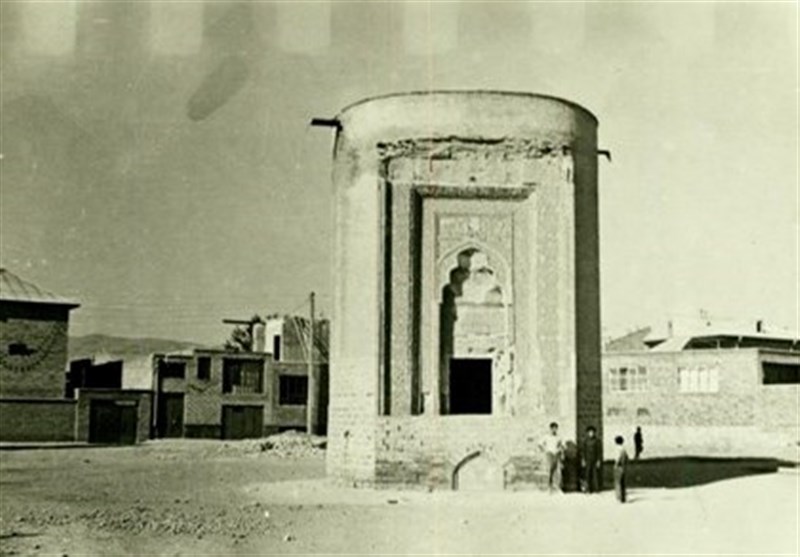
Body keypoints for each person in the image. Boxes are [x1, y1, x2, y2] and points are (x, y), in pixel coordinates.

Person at [539, 421, 565, 494]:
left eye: (555, 428)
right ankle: (549, 487)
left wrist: (560, 450)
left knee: (557, 470)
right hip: (549, 453)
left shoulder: (558, 437)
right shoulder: (546, 436)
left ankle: (557, 487)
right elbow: (540, 444)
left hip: (556, 454)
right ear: (550, 429)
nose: (554, 430)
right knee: (550, 469)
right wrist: (545, 450)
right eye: (553, 428)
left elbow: (562, 445)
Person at [581, 425, 602, 494]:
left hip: (595, 459)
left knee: (595, 474)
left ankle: (596, 489)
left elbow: (599, 451)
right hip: (587, 459)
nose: (591, 434)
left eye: (592, 432)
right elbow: (583, 451)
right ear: (588, 433)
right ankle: (588, 489)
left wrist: (598, 460)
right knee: (587, 474)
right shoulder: (585, 441)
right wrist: (583, 460)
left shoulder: (597, 441)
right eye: (590, 432)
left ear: (594, 433)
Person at [614, 435, 629, 503]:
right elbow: (627, 457)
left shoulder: (617, 449)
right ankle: (623, 497)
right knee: (622, 482)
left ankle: (619, 496)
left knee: (618, 482)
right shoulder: (624, 449)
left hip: (619, 466)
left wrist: (616, 464)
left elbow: (617, 458)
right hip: (623, 466)